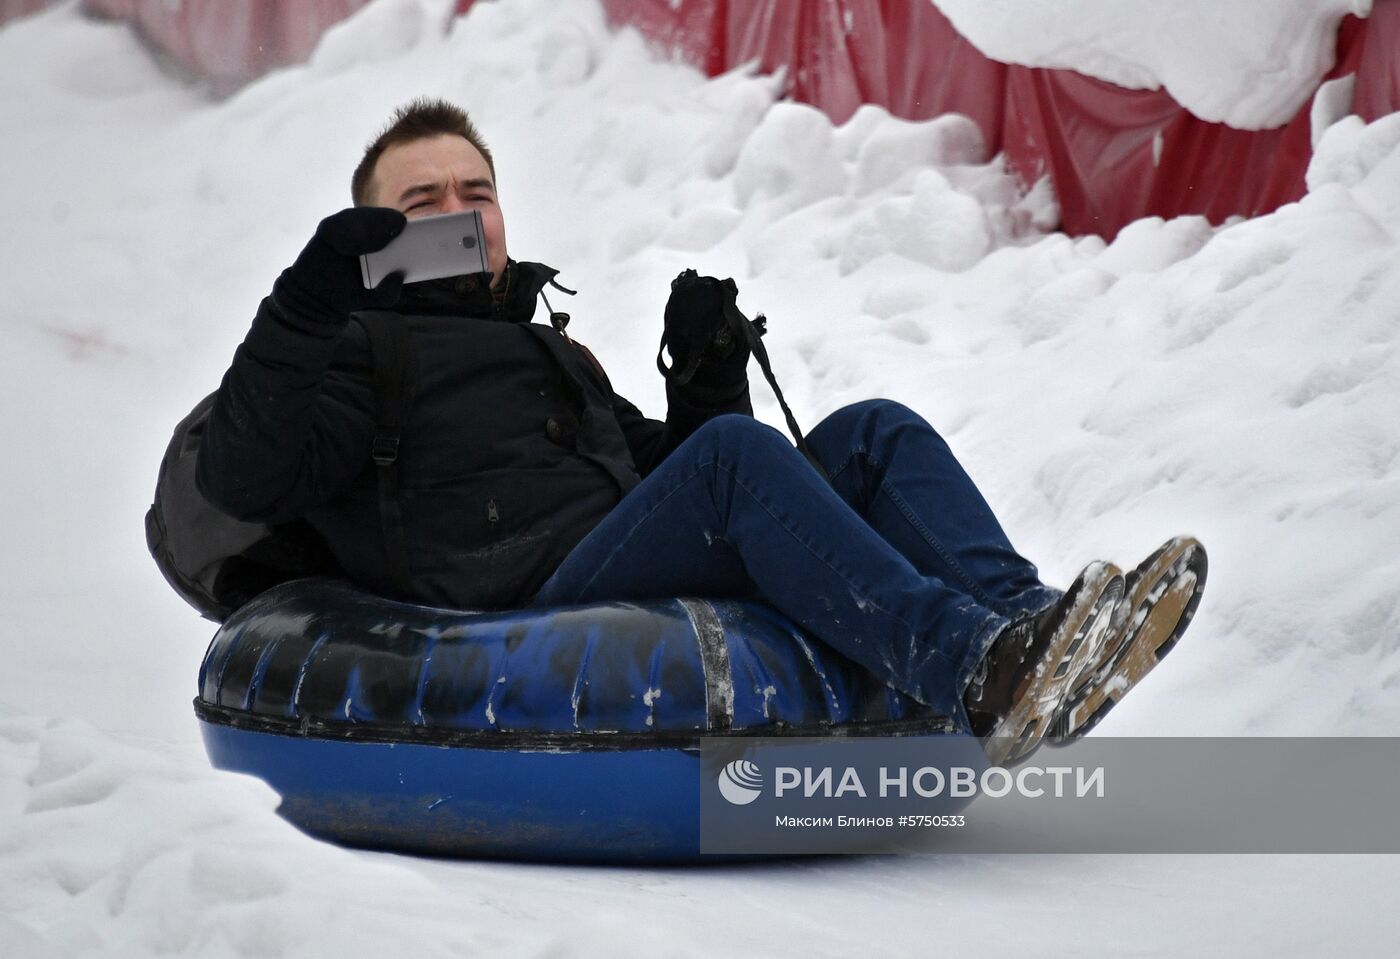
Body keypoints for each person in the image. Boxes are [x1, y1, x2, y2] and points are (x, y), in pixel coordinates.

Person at [196, 98, 1206, 766]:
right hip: (513, 603)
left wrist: (709, 374)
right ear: (368, 236)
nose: (459, 213)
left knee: (870, 431)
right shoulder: (355, 350)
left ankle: (1034, 629)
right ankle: (972, 668)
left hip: (604, 559)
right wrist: (308, 301)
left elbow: (673, 485)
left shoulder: (549, 352)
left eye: (477, 195)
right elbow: (247, 472)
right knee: (733, 460)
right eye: (421, 203)